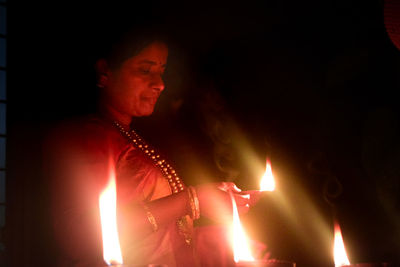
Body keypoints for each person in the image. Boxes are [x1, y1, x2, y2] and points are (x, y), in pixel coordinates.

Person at [45, 26, 262, 267]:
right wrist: (193, 200)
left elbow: (160, 239)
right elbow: (80, 236)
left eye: (161, 72)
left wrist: (219, 237)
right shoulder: (82, 137)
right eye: (145, 70)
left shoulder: (134, 138)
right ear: (105, 72)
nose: (160, 84)